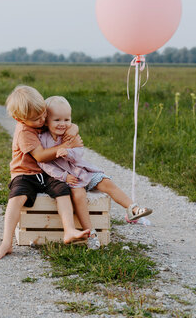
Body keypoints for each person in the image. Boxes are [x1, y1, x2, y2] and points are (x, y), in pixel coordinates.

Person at [37, 96, 153, 249]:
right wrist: (64, 176)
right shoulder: (42, 138)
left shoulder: (70, 134)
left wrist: (69, 153)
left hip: (83, 171)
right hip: (69, 178)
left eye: (67, 119)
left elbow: (79, 152)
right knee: (79, 196)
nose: (63, 124)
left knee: (106, 182)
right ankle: (90, 233)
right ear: (46, 121)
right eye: (57, 120)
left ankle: (132, 208)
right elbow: (44, 163)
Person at [0, 86, 90, 259]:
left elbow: (63, 122)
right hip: (25, 173)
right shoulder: (24, 131)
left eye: (44, 114)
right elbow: (41, 156)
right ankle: (7, 242)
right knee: (17, 197)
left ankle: (69, 230)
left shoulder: (39, 117)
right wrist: (65, 146)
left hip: (46, 172)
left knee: (62, 190)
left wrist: (74, 128)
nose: (43, 120)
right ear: (18, 119)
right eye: (37, 118)